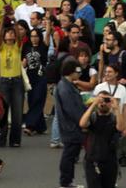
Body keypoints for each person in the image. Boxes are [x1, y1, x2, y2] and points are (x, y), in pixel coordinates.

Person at [80, 89, 126, 188]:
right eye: (101, 100)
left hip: (110, 161)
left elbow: (121, 128)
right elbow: (82, 124)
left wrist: (116, 108)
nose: (103, 103)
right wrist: (93, 104)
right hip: (92, 161)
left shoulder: (113, 118)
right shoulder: (93, 117)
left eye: (106, 100)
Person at [55, 57, 87, 188]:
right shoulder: (65, 88)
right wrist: (83, 122)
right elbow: (72, 109)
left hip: (69, 125)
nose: (79, 74)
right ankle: (66, 182)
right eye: (77, 71)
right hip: (71, 126)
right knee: (69, 154)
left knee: (70, 154)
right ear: (71, 72)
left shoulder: (65, 85)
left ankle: (67, 181)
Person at [0, 25, 24, 148]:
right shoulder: (1, 47)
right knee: (3, 112)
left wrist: (14, 20)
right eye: (8, 33)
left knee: (17, 112)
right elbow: (1, 33)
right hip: (4, 82)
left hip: (17, 81)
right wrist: (3, 18)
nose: (10, 34)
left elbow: (19, 35)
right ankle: (2, 137)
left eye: (12, 33)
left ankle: (15, 140)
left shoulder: (17, 46)